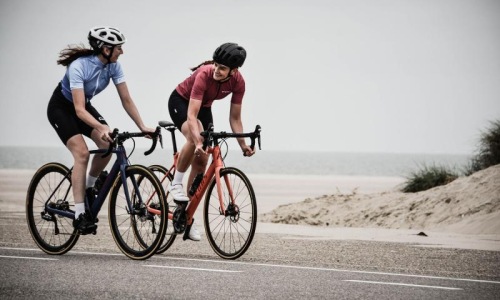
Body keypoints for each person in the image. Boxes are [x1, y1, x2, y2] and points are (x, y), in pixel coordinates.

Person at [47, 26, 155, 234]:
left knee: (107, 143)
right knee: (82, 153)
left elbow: (126, 99)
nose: (121, 52)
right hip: (62, 108)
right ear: (106, 49)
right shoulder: (79, 66)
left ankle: (89, 187)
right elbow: (78, 110)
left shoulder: (114, 66)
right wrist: (100, 126)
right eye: (118, 48)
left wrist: (141, 126)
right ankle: (80, 214)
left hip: (83, 107)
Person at [167, 42, 255, 241]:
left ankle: (186, 216)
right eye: (216, 64)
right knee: (194, 134)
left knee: (202, 160)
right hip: (181, 102)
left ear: (234, 71)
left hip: (204, 107)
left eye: (222, 68)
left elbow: (235, 119)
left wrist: (243, 145)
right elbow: (191, 116)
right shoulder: (204, 74)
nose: (216, 70)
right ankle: (176, 183)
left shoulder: (239, 83)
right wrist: (197, 140)